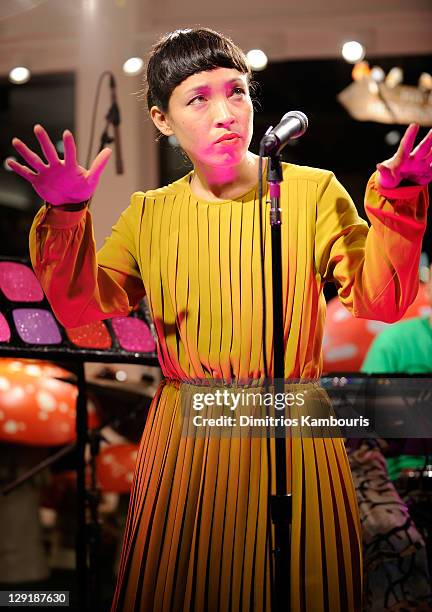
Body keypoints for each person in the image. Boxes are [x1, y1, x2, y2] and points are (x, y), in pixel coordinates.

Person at [8, 27, 432, 612]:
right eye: (198, 98)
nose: (225, 112)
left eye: (235, 92)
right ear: (162, 120)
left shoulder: (310, 192)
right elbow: (83, 310)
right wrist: (64, 213)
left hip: (293, 424)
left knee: (303, 585)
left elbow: (380, 301)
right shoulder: (149, 213)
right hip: (190, 440)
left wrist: (401, 203)